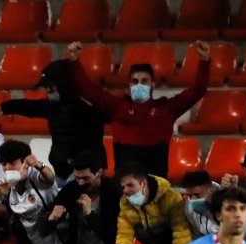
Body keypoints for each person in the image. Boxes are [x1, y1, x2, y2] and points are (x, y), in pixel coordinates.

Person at [67, 40, 210, 178]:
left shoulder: (167, 108)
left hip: (156, 184)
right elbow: (88, 90)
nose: (139, 85)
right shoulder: (116, 106)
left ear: (153, 84)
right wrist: (74, 61)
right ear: (129, 84)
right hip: (125, 185)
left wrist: (204, 61)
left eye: (144, 81)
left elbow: (197, 91)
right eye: (135, 81)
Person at [0, 59, 108, 180]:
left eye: (50, 86)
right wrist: (5, 107)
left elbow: (104, 119)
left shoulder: (86, 106)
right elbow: (31, 106)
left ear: (63, 84)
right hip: (63, 172)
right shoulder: (54, 106)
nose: (47, 90)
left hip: (85, 172)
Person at [38, 150, 122, 244]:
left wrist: (90, 214)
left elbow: (112, 235)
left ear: (99, 173)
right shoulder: (72, 190)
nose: (81, 182)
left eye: (85, 178)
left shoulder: (114, 192)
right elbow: (43, 229)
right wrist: (51, 219)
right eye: (77, 178)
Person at [115, 161, 191, 244]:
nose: (126, 191)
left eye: (130, 185)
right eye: (123, 187)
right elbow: (123, 236)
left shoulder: (171, 197)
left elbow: (181, 237)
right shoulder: (125, 204)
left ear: (143, 183)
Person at [181, 171, 246, 244]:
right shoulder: (189, 207)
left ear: (211, 190)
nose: (193, 199)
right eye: (189, 195)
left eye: (197, 194)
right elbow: (196, 237)